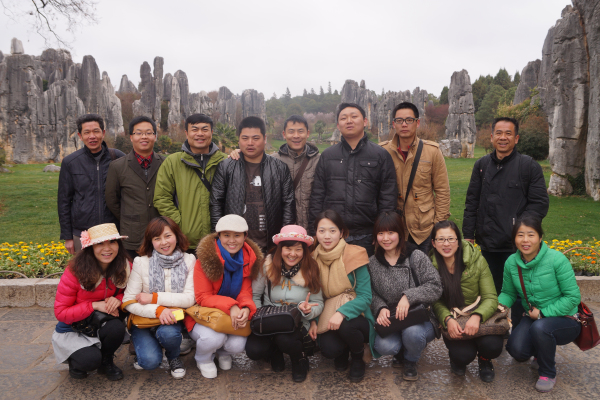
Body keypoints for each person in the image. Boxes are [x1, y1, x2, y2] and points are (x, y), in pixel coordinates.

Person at [463, 117, 549, 327]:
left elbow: (539, 204)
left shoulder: (528, 166)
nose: (503, 138)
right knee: (491, 292)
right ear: (492, 137)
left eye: (508, 133)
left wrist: (521, 232)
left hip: (517, 245)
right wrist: (468, 234)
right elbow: (472, 201)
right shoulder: (482, 165)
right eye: (499, 133)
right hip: (488, 243)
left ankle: (521, 332)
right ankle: (494, 331)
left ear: (516, 138)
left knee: (521, 292)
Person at [499, 216, 581, 393]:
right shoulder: (512, 262)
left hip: (566, 318)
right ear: (514, 238)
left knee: (541, 328)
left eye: (531, 235)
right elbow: (508, 293)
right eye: (520, 235)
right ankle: (541, 351)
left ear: (540, 237)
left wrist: (543, 313)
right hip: (534, 316)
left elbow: (573, 297)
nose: (525, 240)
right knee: (516, 350)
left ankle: (548, 372)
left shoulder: (556, 259)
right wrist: (499, 306)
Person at [309, 103, 397, 256]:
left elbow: (388, 196)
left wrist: (383, 232)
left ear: (365, 121)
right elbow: (317, 195)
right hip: (333, 234)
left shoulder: (380, 155)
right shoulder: (328, 156)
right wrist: (315, 229)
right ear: (338, 125)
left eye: (354, 116)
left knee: (365, 272)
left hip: (367, 235)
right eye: (344, 118)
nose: (349, 121)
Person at [186, 214, 263, 378]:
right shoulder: (206, 260)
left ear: (245, 236)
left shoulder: (248, 258)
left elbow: (245, 291)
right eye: (226, 235)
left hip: (229, 315)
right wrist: (232, 305)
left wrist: (246, 308)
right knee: (214, 338)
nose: (232, 240)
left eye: (237, 235)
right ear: (219, 236)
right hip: (204, 314)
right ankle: (203, 358)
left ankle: (222, 352)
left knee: (238, 344)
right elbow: (202, 297)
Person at [368, 211, 442, 381]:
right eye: (381, 233)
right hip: (393, 318)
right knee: (384, 345)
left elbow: (436, 286)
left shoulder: (416, 256)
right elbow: (371, 292)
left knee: (413, 334)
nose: (386, 238)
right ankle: (403, 350)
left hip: (419, 317)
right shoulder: (373, 262)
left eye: (391, 232)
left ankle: (410, 360)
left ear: (400, 234)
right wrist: (380, 307)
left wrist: (409, 296)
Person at [52, 223, 130, 380]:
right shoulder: (75, 271)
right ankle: (76, 362)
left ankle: (106, 360)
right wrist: (93, 305)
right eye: (100, 243)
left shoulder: (125, 267)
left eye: (112, 242)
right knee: (90, 361)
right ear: (90, 247)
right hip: (74, 328)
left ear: (119, 245)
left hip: (101, 323)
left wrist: (118, 299)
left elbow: (133, 294)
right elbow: (61, 313)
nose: (107, 248)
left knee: (117, 328)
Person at [246, 225, 323, 382]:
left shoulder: (311, 268)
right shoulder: (267, 265)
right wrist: (260, 317)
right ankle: (274, 352)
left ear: (304, 251)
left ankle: (298, 358)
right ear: (280, 248)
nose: (292, 254)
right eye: (288, 248)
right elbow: (255, 295)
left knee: (285, 339)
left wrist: (308, 311)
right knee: (254, 350)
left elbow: (318, 302)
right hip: (269, 317)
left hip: (297, 320)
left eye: (298, 249)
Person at [122, 216, 196, 379]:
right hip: (144, 320)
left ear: (177, 236)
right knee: (149, 362)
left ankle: (173, 357)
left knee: (169, 335)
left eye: (168, 236)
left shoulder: (189, 260)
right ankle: (145, 350)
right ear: (151, 241)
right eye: (157, 238)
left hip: (171, 319)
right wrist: (158, 310)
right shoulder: (141, 262)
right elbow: (128, 301)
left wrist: (154, 298)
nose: (164, 242)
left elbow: (189, 299)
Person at [430, 220, 503, 383]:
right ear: (433, 243)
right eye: (441, 239)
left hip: (479, 313)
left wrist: (477, 316)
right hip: (454, 317)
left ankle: (484, 359)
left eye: (451, 239)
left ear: (458, 241)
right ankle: (457, 358)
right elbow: (435, 301)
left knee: (492, 346)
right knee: (462, 355)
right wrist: (447, 319)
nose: (446, 244)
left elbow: (491, 297)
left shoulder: (477, 260)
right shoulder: (430, 265)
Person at [210, 116, 295, 254]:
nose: (250, 143)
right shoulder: (226, 167)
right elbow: (216, 204)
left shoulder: (279, 168)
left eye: (255, 138)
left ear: (264, 138)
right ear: (239, 139)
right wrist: (218, 237)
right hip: (234, 245)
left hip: (270, 245)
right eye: (245, 138)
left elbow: (288, 205)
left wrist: (284, 239)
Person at [312, 209, 376, 382]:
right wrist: (314, 320)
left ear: (341, 232)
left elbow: (365, 296)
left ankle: (357, 356)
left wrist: (341, 313)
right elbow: (315, 296)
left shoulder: (355, 254)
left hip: (357, 315)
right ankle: (344, 349)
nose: (327, 236)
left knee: (346, 326)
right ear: (316, 233)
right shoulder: (313, 259)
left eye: (332, 231)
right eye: (322, 231)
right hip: (328, 313)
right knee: (329, 350)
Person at [380, 102, 450, 255]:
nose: (404, 124)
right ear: (393, 124)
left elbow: (442, 191)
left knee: (424, 268)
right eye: (399, 120)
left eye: (409, 120)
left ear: (417, 123)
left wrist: (438, 226)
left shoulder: (432, 151)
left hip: (424, 228)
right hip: (393, 229)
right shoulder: (382, 151)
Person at [229, 115, 319, 230]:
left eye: (300, 131)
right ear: (284, 134)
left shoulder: (319, 160)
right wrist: (239, 153)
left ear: (307, 133)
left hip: (312, 227)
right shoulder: (273, 161)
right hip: (280, 227)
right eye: (291, 131)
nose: (296, 136)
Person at [154, 113, 226, 250]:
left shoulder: (225, 161)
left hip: (222, 241)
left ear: (211, 132)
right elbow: (162, 198)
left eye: (205, 129)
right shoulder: (173, 162)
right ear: (187, 133)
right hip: (185, 242)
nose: (200, 134)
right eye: (195, 129)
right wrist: (179, 224)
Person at [58, 114, 125, 254]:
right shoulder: (71, 162)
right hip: (83, 233)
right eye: (87, 132)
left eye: (96, 131)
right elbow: (64, 201)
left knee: (114, 268)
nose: (92, 136)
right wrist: (68, 236)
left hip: (113, 231)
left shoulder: (118, 158)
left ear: (103, 133)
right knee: (84, 268)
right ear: (80, 136)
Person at [106, 116, 166, 260]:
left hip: (162, 233)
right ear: (131, 137)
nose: (144, 137)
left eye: (148, 133)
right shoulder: (117, 166)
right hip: (132, 235)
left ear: (155, 136)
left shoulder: (166, 163)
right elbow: (112, 200)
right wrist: (129, 217)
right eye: (139, 133)